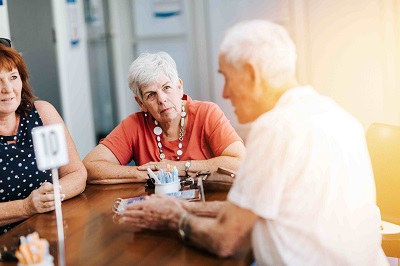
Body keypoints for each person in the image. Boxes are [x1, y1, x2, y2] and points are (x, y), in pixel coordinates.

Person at [120, 20, 389, 265]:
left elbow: (224, 239)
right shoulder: (337, 114)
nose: (225, 92)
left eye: (226, 77)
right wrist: (185, 206)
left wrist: (173, 217)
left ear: (251, 74)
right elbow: (253, 209)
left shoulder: (275, 129)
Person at [83, 51, 245, 184]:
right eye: (151, 94)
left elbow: (240, 162)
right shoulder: (135, 124)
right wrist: (146, 174)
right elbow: (90, 167)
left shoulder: (207, 113)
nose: (161, 99)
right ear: (141, 102)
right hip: (156, 209)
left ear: (179, 87)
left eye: (166, 88)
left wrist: (177, 167)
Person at [0, 40, 87, 235]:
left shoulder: (42, 113)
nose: (8, 89)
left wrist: (52, 193)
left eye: (13, 77)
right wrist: (26, 207)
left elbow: (76, 174)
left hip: (52, 230)